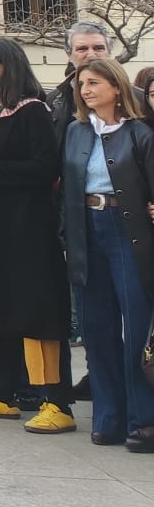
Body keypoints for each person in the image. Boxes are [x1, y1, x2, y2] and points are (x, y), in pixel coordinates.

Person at [0, 38, 77, 433]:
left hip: (24, 232)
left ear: (7, 65)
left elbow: (44, 169)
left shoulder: (32, 111)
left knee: (35, 313)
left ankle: (54, 400)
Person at [60, 56, 154, 450]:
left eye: (95, 82)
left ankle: (142, 419)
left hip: (128, 231)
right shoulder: (76, 131)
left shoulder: (141, 134)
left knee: (135, 329)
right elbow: (66, 187)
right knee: (96, 330)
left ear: (117, 87)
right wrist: (67, 237)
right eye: (83, 84)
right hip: (86, 229)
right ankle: (108, 417)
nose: (87, 90)